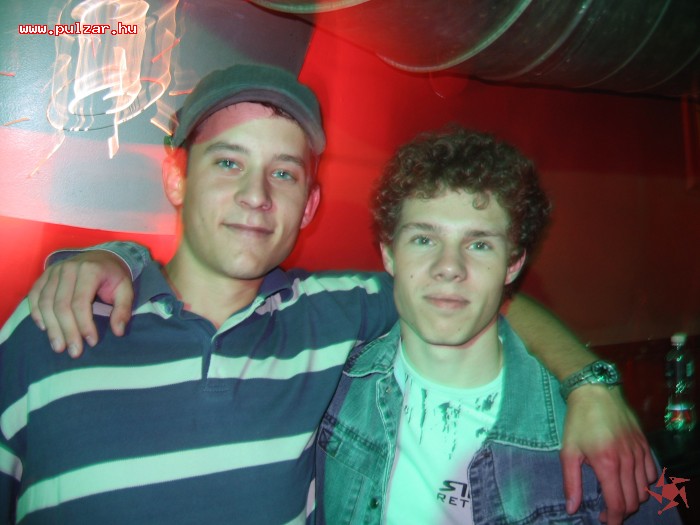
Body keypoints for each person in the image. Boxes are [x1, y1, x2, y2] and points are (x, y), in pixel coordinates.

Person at [4, 63, 651, 524]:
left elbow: (479, 299)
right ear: (176, 176)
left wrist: (591, 384)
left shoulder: (333, 312)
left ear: (309, 204)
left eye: (283, 174)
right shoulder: (50, 326)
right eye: (228, 162)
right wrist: (115, 254)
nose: (256, 196)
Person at [314, 127, 678, 524]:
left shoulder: (599, 437)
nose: (449, 267)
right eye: (424, 239)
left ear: (513, 264)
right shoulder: (331, 388)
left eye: (479, 244)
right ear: (389, 253)